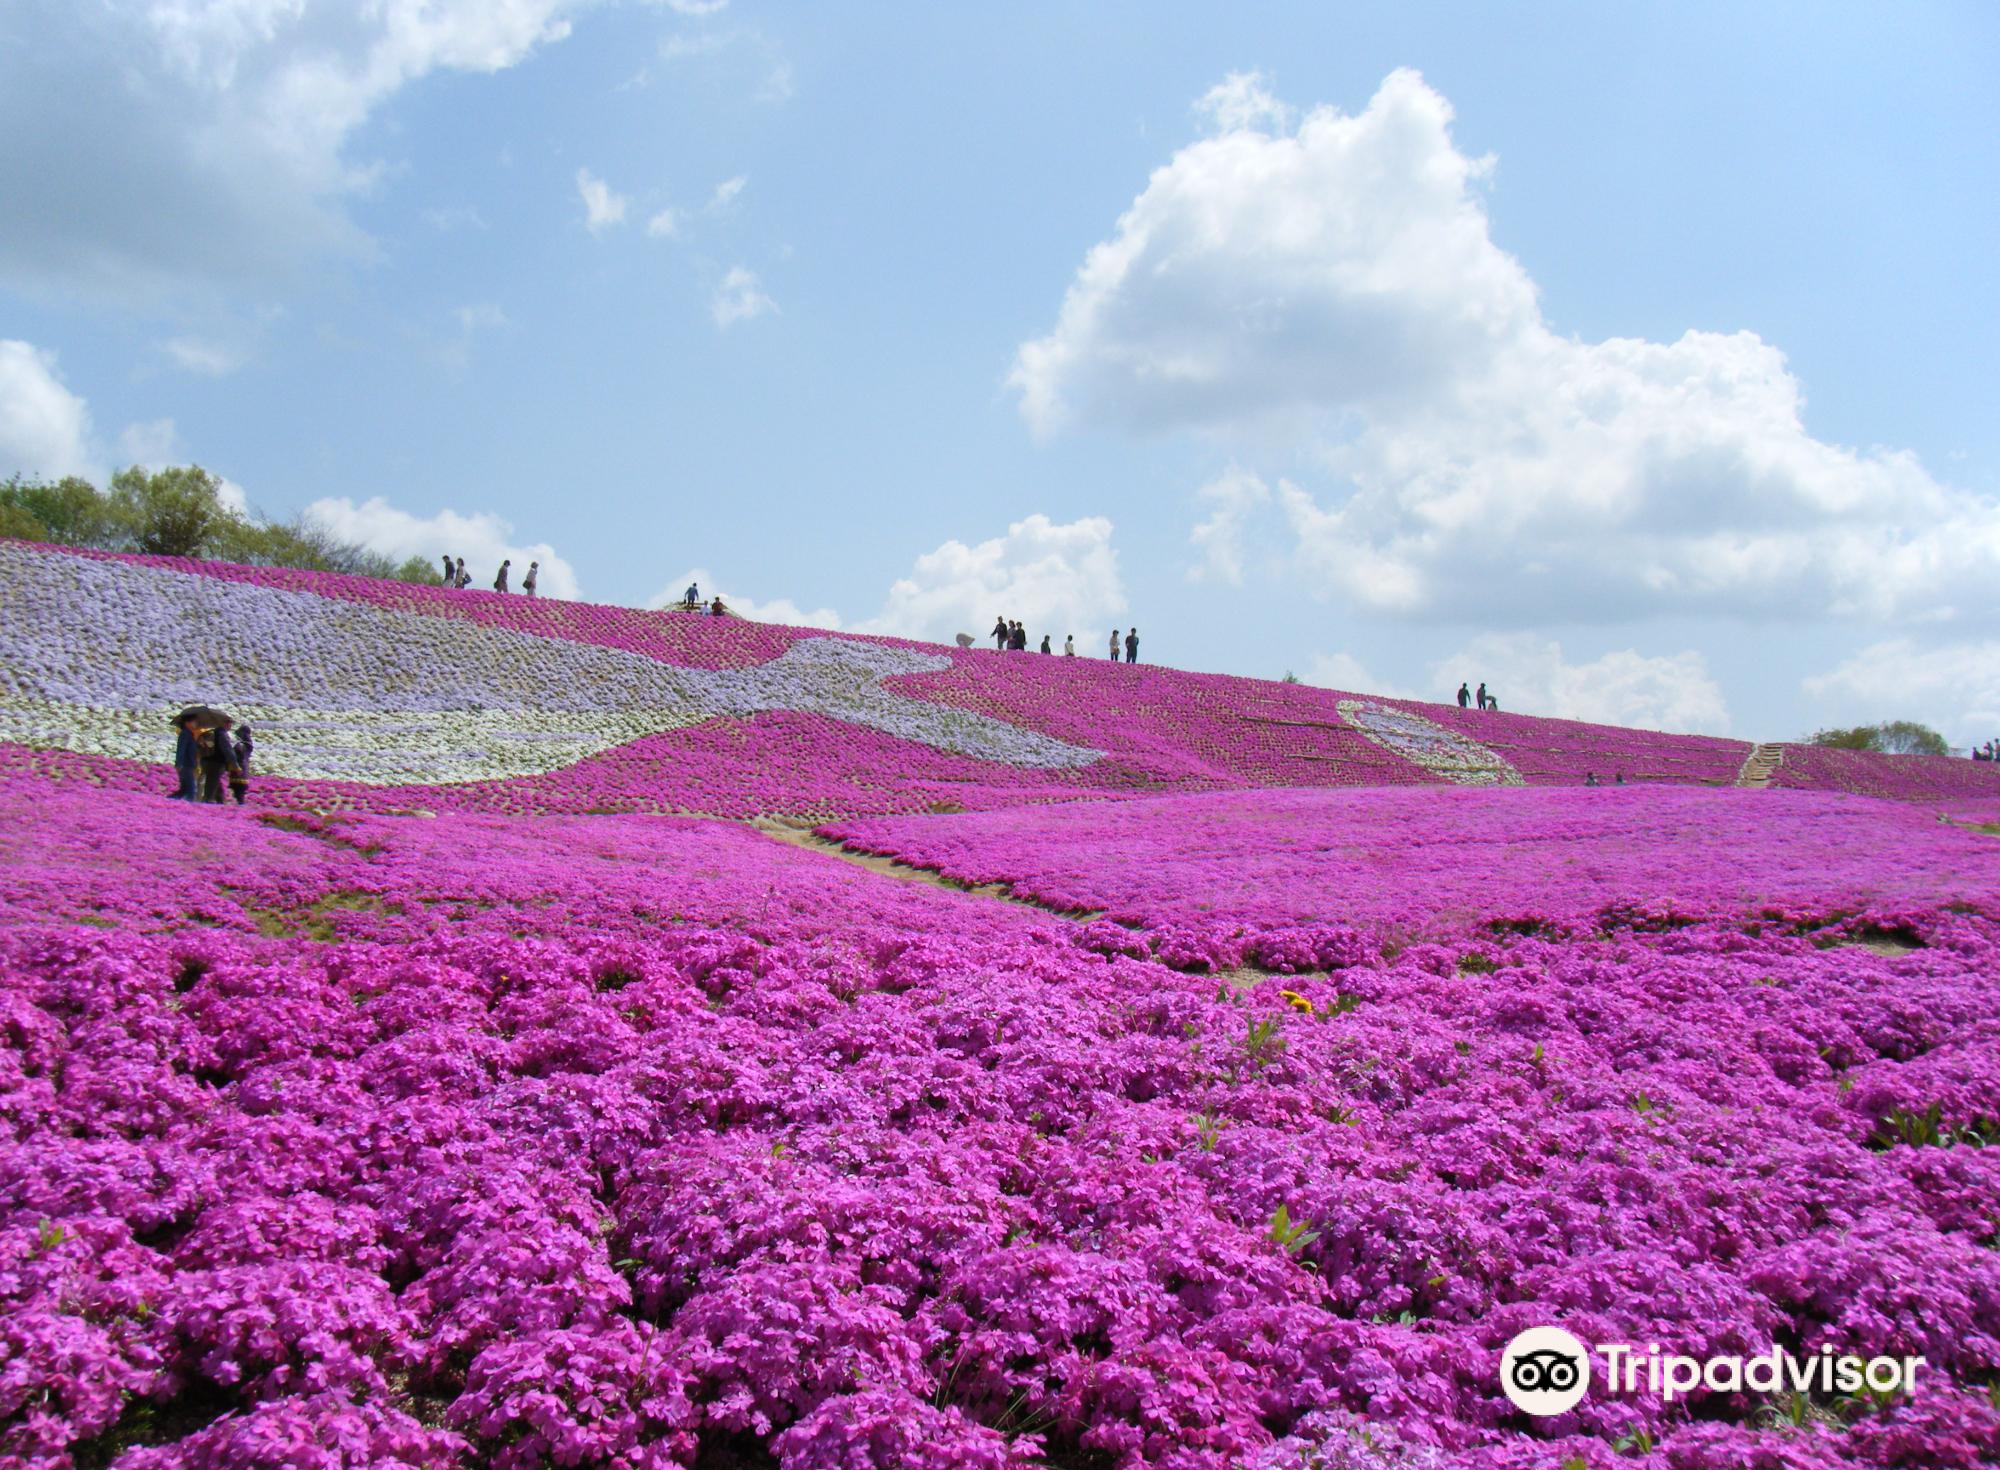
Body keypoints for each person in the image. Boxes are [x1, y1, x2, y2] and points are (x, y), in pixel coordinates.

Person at [196, 719, 242, 804]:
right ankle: (208, 801)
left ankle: (216, 800)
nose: (230, 725)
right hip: (217, 763)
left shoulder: (212, 732)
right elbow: (228, 750)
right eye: (229, 723)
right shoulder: (222, 734)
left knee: (210, 781)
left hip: (205, 760)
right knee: (212, 782)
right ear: (224, 724)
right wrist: (235, 765)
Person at [168, 713, 200, 800]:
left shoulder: (190, 734)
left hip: (188, 765)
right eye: (194, 722)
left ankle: (169, 800)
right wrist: (179, 764)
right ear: (187, 723)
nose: (196, 724)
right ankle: (189, 808)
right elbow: (181, 749)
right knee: (191, 790)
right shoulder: (185, 734)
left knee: (184, 789)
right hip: (186, 765)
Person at [227, 725, 254, 806]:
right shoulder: (248, 744)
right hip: (243, 768)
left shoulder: (241, 745)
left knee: (238, 787)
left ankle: (240, 802)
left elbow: (237, 755)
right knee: (240, 788)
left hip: (238, 768)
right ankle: (240, 802)